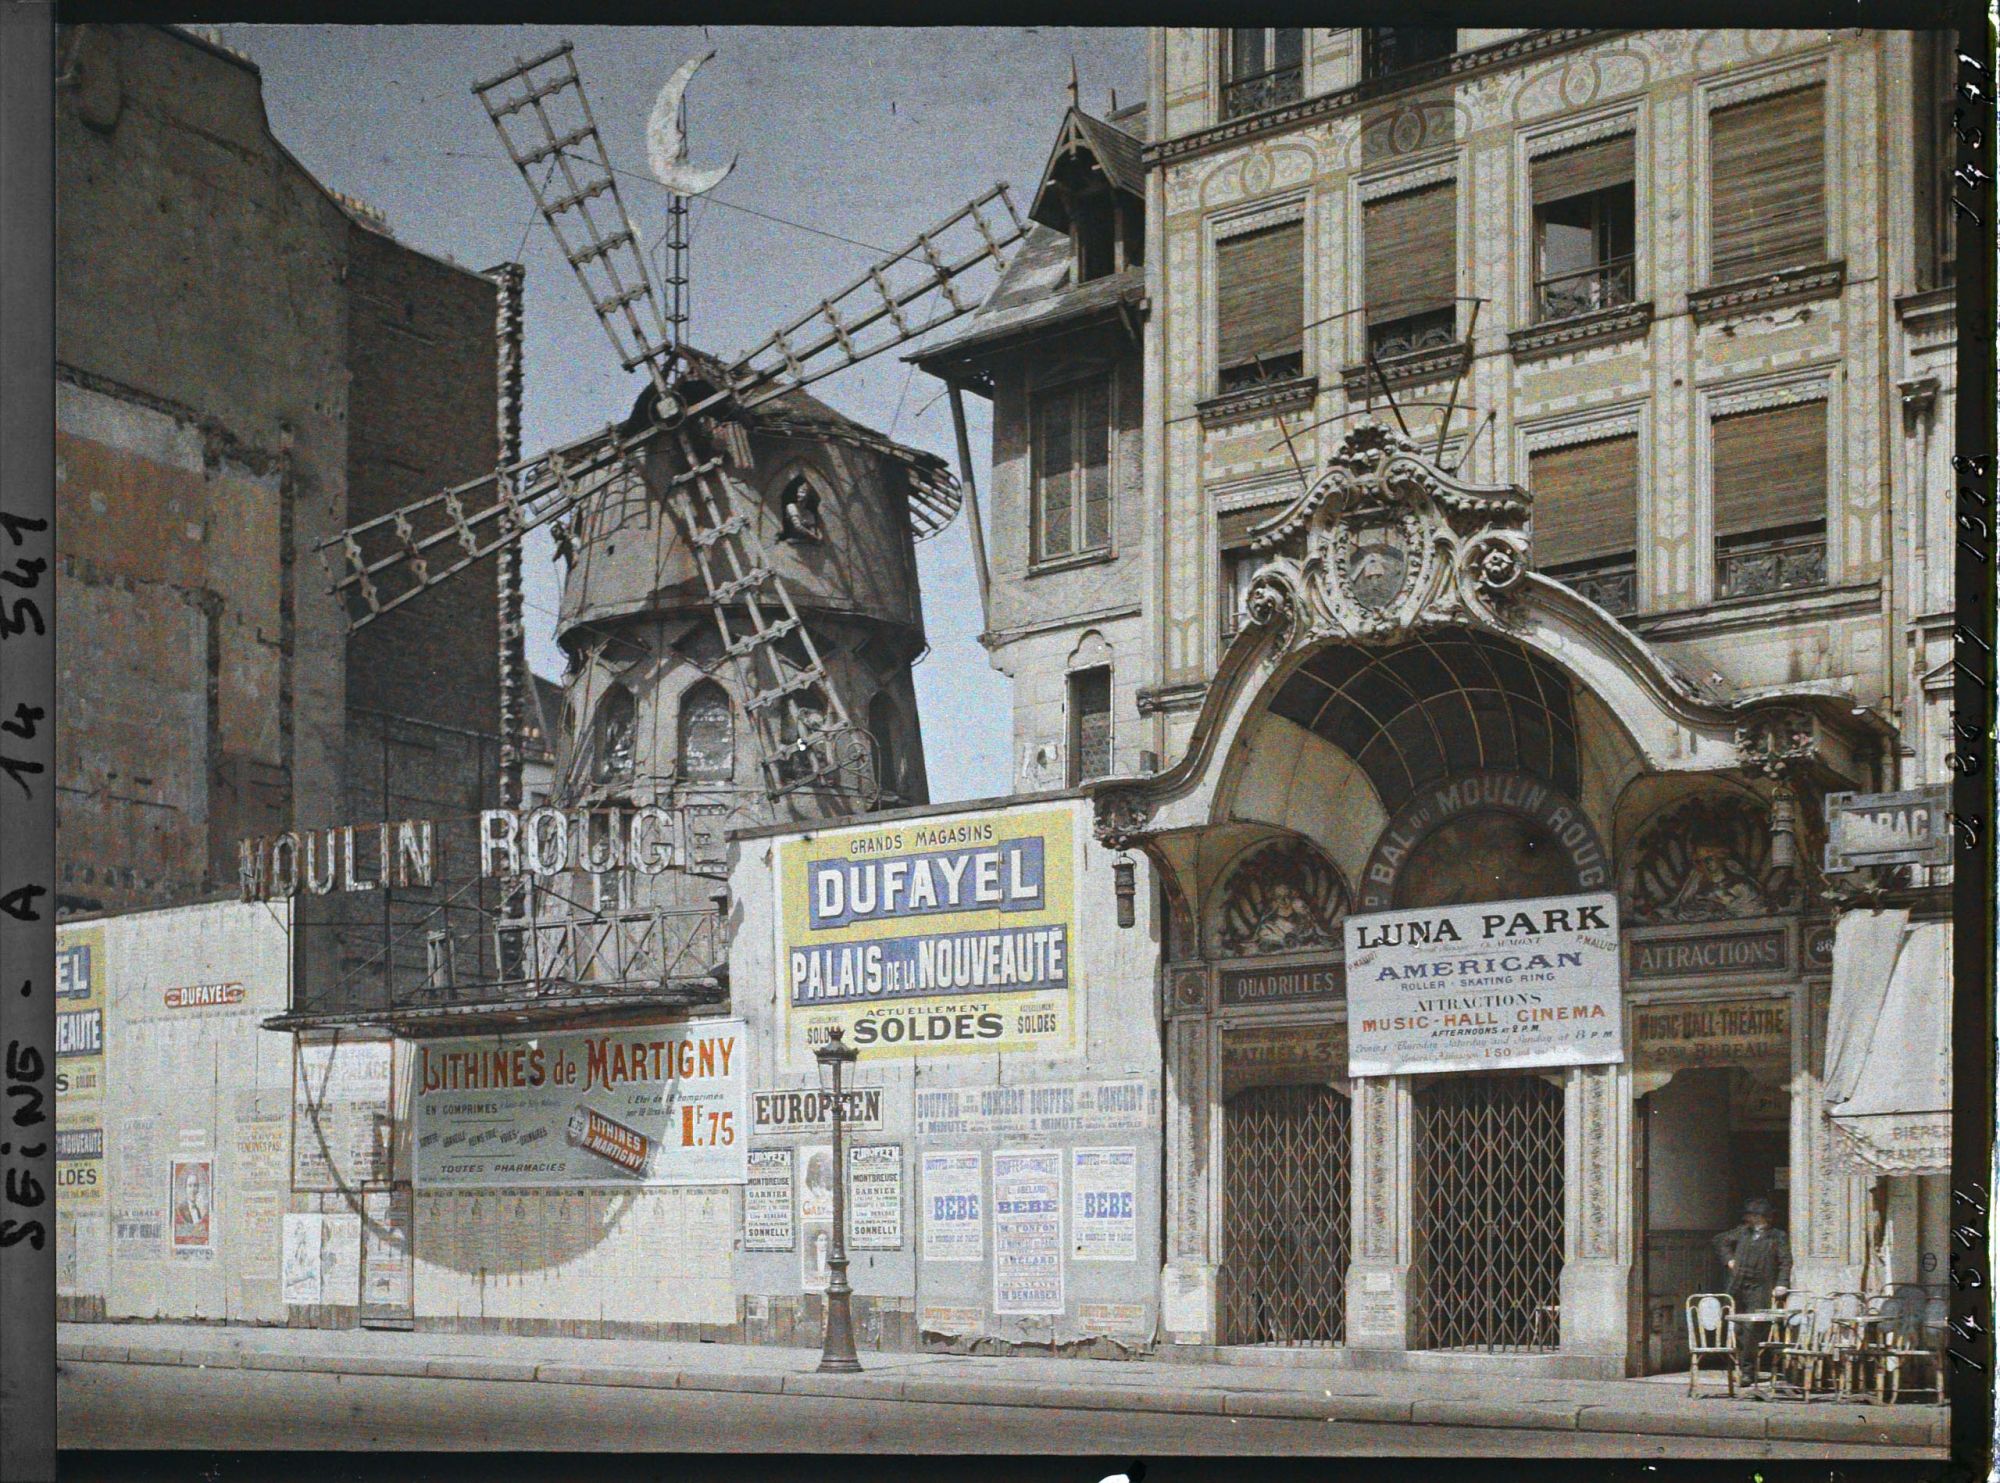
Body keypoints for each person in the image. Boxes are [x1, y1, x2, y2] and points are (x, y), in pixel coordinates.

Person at [1713, 1196, 1792, 1375]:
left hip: (1760, 1287)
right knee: (1738, 1327)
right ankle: (1741, 1365)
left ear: (1764, 1217)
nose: (1752, 1219)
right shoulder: (1742, 1232)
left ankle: (1748, 1370)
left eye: (1755, 1216)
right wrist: (1729, 1260)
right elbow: (1720, 1241)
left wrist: (1782, 1284)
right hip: (1739, 1284)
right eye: (1750, 1215)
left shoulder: (1777, 1236)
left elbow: (1785, 1262)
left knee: (1752, 1329)